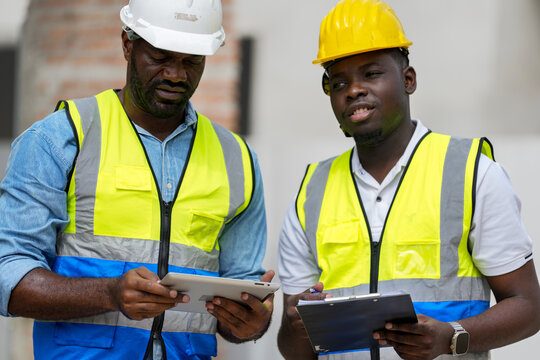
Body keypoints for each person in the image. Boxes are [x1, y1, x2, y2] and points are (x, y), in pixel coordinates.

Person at [0, 1, 274, 359]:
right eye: (160, 56)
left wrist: (251, 323)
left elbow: (237, 298)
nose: (176, 75)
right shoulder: (61, 139)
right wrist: (109, 294)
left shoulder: (236, 159)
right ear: (128, 44)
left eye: (191, 61)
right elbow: (9, 277)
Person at [277, 0, 540, 359]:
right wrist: (294, 326)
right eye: (339, 82)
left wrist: (451, 335)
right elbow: (293, 349)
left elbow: (528, 306)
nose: (353, 90)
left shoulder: (471, 173)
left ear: (408, 79)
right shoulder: (312, 192)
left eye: (370, 74)